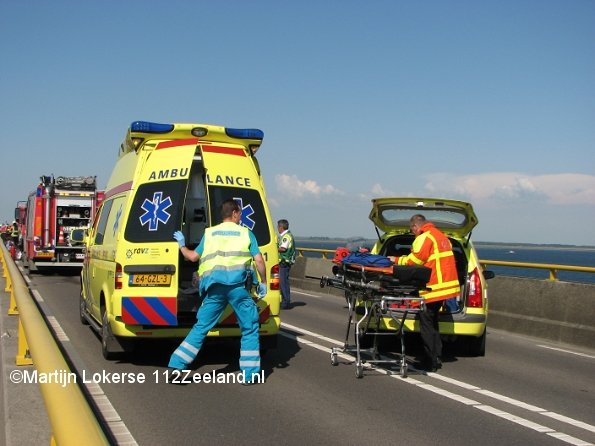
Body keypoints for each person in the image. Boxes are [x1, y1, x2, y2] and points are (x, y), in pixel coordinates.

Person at [168, 199, 268, 384]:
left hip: (214, 290)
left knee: (201, 328)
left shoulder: (210, 233)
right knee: (249, 328)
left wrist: (181, 244)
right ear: (235, 213)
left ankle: (176, 366)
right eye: (240, 214)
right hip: (238, 289)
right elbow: (259, 261)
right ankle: (250, 375)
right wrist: (263, 281)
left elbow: (191, 257)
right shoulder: (246, 233)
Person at [397, 214, 460, 372]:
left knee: (426, 325)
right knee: (433, 323)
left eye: (412, 231)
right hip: (446, 287)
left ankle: (429, 361)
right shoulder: (441, 236)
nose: (413, 234)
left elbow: (415, 261)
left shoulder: (425, 237)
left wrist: (396, 260)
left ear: (415, 227)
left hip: (433, 287)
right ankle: (436, 356)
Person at [277, 219, 295, 309]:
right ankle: (286, 301)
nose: (277, 229)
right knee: (284, 282)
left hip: (284, 262)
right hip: (285, 262)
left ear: (281, 227)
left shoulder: (286, 237)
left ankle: (285, 302)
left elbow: (283, 248)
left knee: (283, 283)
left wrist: (274, 248)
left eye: (278, 227)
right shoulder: (286, 236)